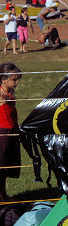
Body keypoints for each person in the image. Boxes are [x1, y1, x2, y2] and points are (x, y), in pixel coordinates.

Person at [0, 63, 22, 202]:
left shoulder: (11, 92)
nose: (17, 82)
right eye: (14, 80)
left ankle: (3, 193)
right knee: (1, 165)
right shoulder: (1, 93)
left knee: (7, 165)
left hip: (12, 130)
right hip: (2, 132)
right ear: (3, 79)